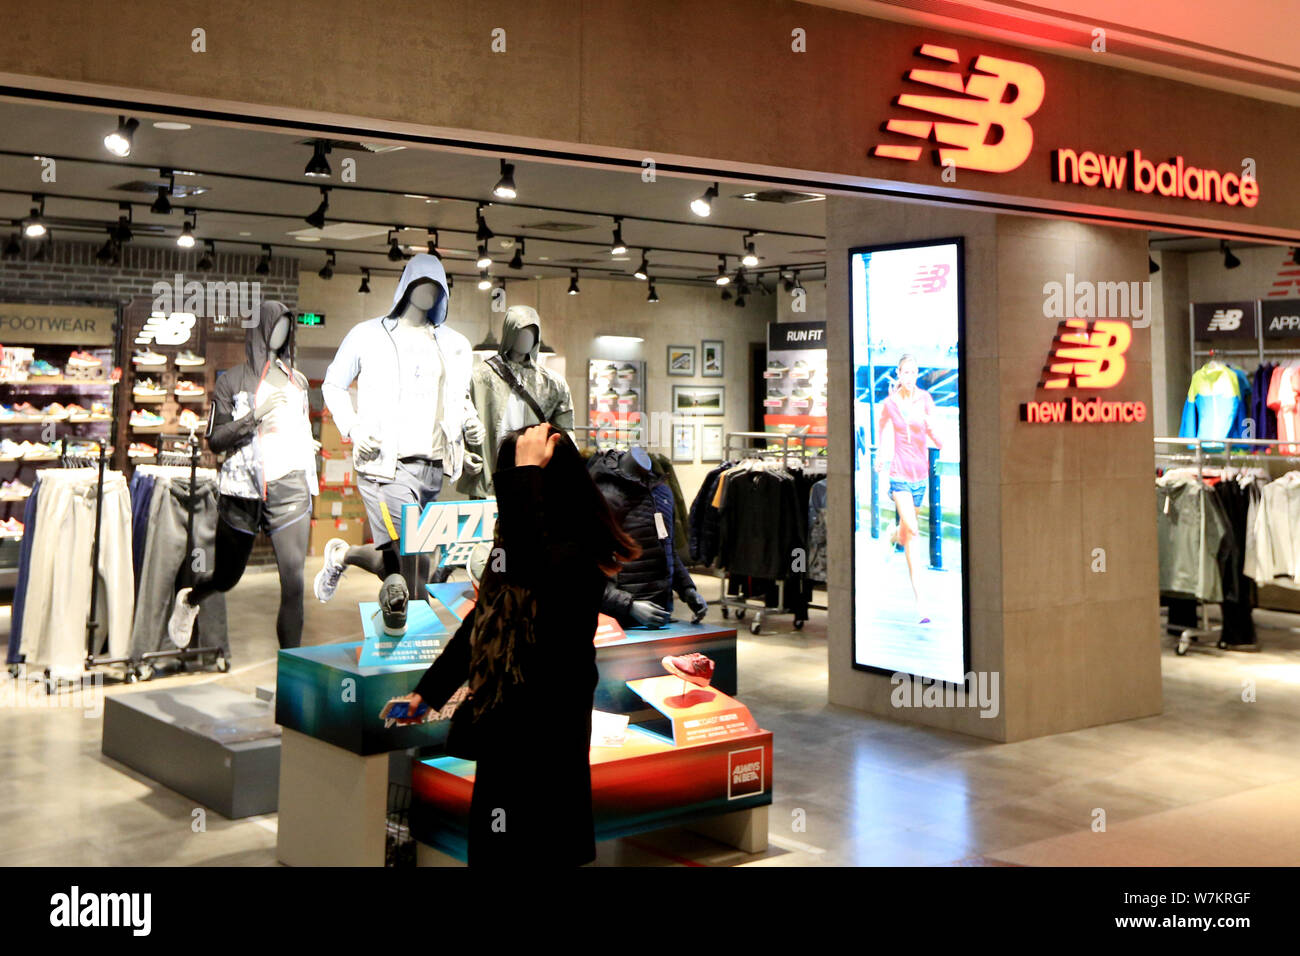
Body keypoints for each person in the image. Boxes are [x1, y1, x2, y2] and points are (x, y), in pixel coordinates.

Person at [390, 423, 638, 867]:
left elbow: (535, 571)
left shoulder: (572, 549)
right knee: (496, 847)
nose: (504, 491)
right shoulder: (520, 544)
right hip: (507, 728)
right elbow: (483, 622)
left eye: (515, 477)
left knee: (535, 850)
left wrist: (526, 473)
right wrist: (428, 693)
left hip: (548, 736)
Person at [168, 301, 318, 650]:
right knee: (226, 577)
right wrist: (256, 415)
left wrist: (305, 442)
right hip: (242, 492)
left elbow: (299, 425)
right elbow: (216, 440)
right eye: (274, 326)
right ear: (260, 329)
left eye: (285, 327)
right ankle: (191, 598)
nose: (280, 333)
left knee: (294, 583)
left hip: (291, 489)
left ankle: (291, 678)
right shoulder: (232, 381)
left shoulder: (297, 381)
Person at [875, 354, 943, 624]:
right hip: (899, 475)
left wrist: (938, 437)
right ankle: (921, 606)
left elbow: (935, 433)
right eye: (905, 373)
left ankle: (892, 535)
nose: (909, 377)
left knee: (906, 531)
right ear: (898, 374)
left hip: (920, 475)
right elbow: (880, 426)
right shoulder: (890, 403)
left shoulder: (925, 399)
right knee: (913, 531)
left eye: (914, 373)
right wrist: (880, 455)